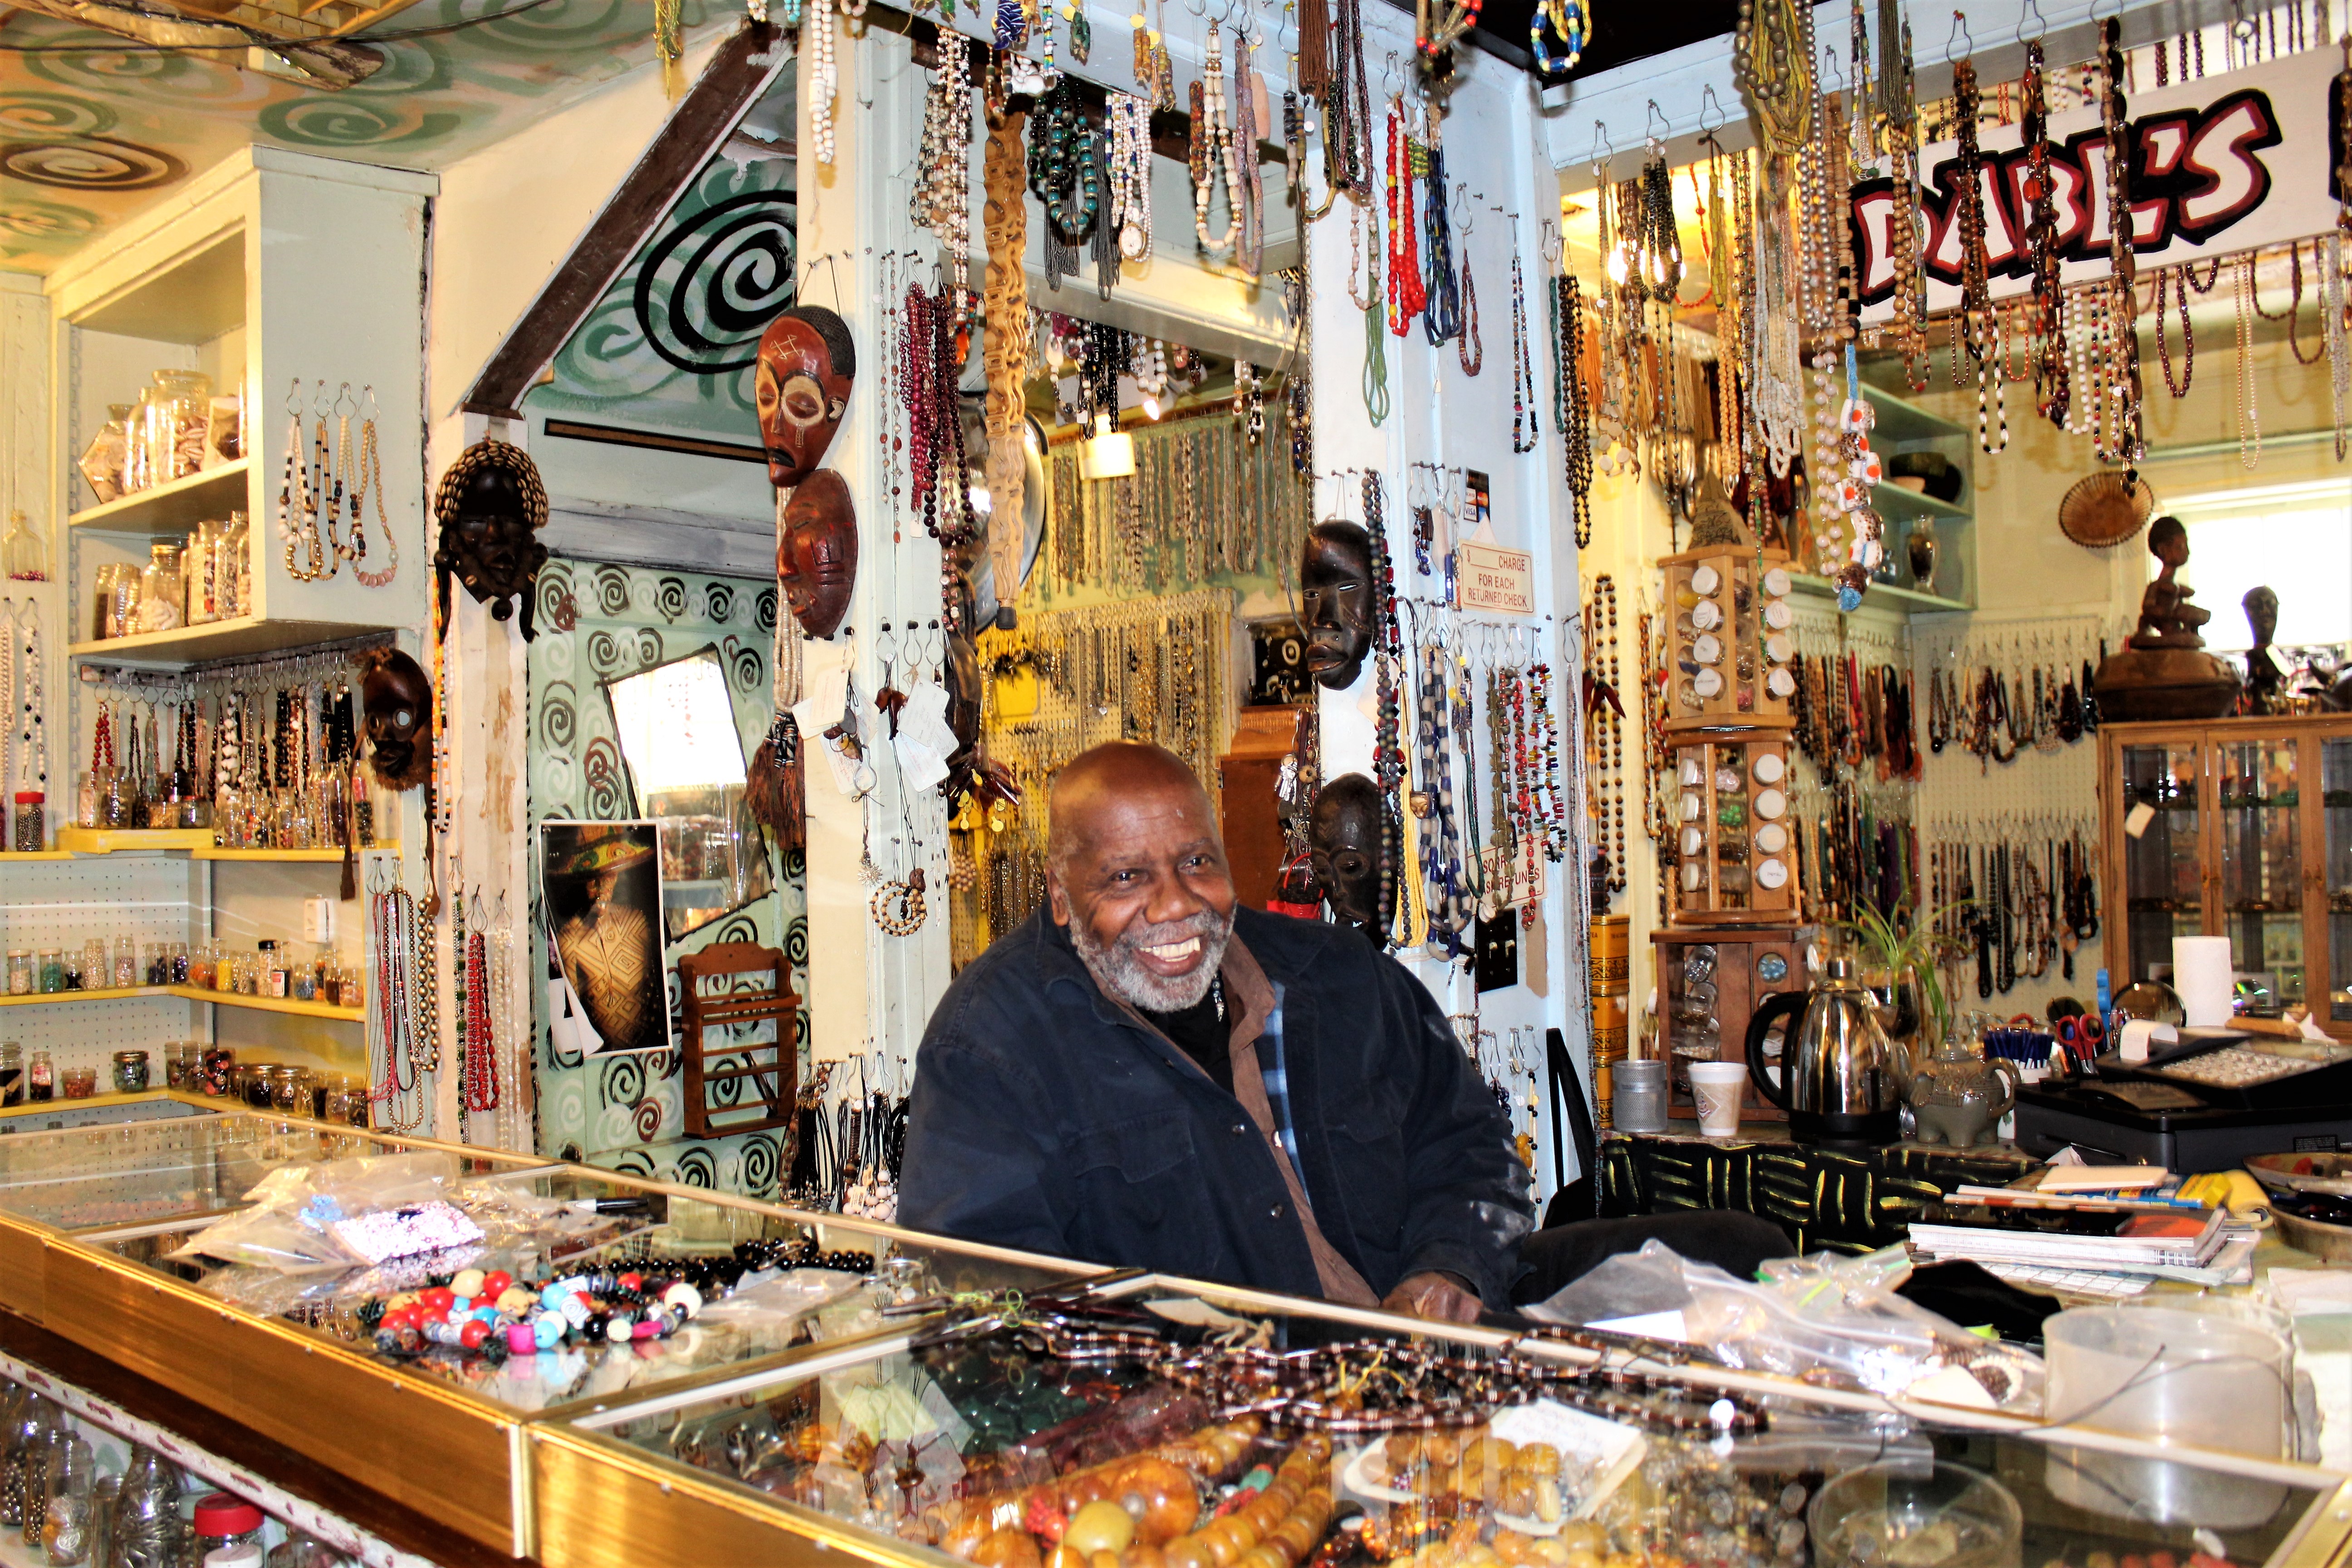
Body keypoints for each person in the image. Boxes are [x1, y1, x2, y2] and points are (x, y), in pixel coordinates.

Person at [898, 741, 1789, 1322]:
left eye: (1198, 863)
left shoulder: (1337, 978)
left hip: (1441, 1361)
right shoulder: (994, 1047)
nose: (1175, 905)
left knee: (1748, 1254)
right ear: (1059, 895)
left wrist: (1449, 1271)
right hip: (1240, 1432)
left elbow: (1475, 1143)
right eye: (1126, 876)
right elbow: (986, 1306)